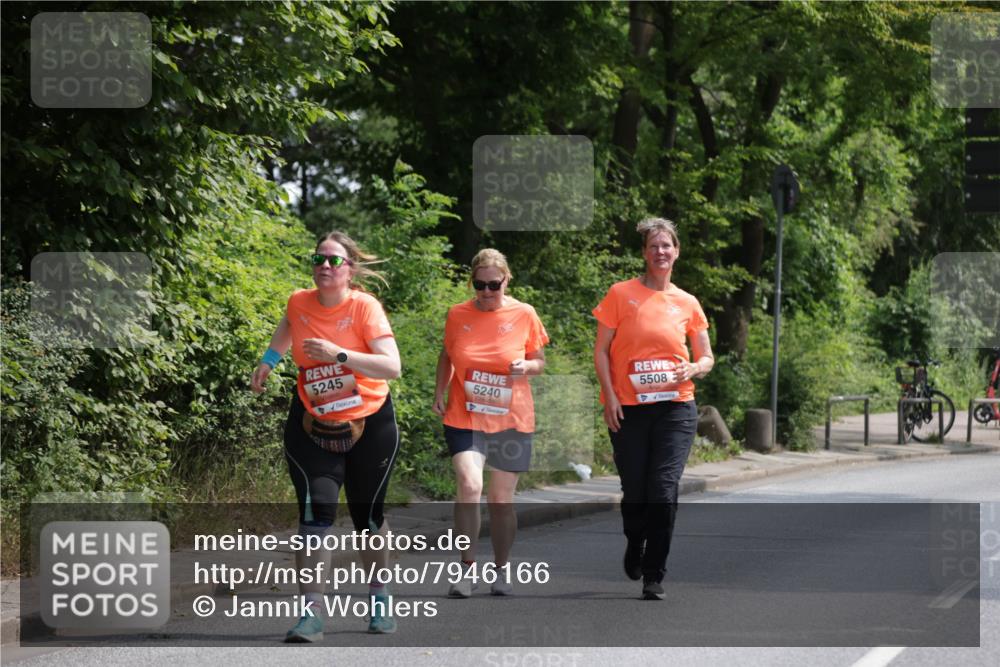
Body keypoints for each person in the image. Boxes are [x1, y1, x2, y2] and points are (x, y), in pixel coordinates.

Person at [251, 231, 402, 641]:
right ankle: (312, 613)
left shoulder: (364, 307)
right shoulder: (299, 301)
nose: (323, 266)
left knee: (368, 519)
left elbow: (392, 367)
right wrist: (269, 359)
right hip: (312, 422)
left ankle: (379, 597)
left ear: (350, 269)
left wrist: (339, 354)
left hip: (370, 422)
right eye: (318, 259)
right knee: (315, 515)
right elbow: (289, 323)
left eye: (333, 260)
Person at [592, 217, 714, 600]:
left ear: (676, 252)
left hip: (676, 408)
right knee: (635, 491)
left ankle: (654, 573)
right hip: (628, 409)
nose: (660, 252)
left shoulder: (687, 302)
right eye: (654, 246)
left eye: (667, 246)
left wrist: (694, 367)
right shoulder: (620, 294)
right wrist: (610, 395)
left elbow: (707, 355)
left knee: (663, 490)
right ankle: (635, 539)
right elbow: (601, 350)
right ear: (644, 253)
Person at [432, 248, 549, 597]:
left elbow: (540, 361)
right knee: (469, 486)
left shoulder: (524, 313)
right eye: (479, 285)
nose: (485, 293)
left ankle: (501, 568)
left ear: (506, 280)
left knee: (500, 500)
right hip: (464, 414)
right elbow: (447, 354)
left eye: (493, 285)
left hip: (511, 417)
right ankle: (466, 569)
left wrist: (525, 367)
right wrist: (439, 390)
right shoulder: (457, 315)